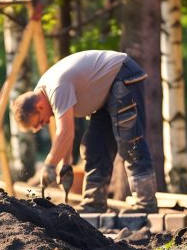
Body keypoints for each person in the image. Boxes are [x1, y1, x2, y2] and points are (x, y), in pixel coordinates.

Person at [12, 50, 158, 213]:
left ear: (39, 107)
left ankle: (146, 204)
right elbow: (67, 130)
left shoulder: (56, 87)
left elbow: (65, 132)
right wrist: (65, 164)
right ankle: (93, 204)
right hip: (106, 94)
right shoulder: (44, 92)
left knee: (130, 143)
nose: (43, 124)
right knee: (93, 146)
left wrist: (50, 165)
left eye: (39, 122)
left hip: (122, 76)